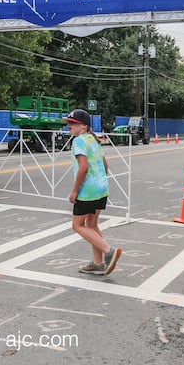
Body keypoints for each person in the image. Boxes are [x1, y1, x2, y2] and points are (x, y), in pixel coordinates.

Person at [64, 108, 121, 276]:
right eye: (68, 123)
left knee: (77, 225)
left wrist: (74, 191)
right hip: (101, 189)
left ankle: (108, 251)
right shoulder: (94, 140)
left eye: (72, 123)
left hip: (87, 191)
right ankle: (98, 263)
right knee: (92, 224)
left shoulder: (79, 141)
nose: (68, 126)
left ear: (83, 126)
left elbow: (83, 168)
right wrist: (100, 183)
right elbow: (105, 166)